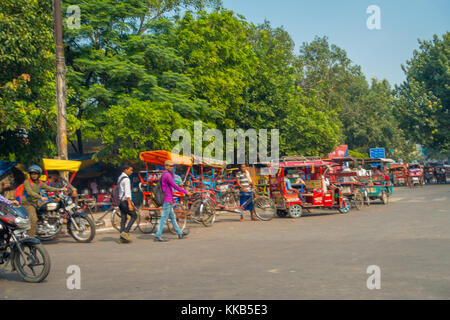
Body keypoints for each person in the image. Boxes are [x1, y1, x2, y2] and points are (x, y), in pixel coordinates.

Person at [21, 165, 64, 238]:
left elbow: (48, 188)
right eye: (32, 174)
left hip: (36, 201)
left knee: (49, 206)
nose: (33, 175)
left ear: (39, 175)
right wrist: (40, 197)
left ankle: (46, 222)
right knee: (34, 220)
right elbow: (30, 192)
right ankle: (31, 238)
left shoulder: (39, 183)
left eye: (35, 174)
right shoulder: (27, 182)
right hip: (28, 203)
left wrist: (60, 189)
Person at [154, 160, 192, 242]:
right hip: (167, 199)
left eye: (172, 166)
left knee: (173, 217)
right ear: (166, 166)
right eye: (170, 166)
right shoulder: (167, 175)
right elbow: (175, 185)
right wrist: (186, 192)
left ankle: (179, 233)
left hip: (169, 199)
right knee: (164, 218)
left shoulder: (165, 174)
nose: (172, 167)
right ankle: (158, 235)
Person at [117, 164, 138, 243]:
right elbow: (127, 192)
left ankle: (122, 238)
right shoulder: (126, 179)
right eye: (130, 170)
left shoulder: (120, 178)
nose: (131, 172)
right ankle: (125, 233)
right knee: (134, 215)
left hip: (120, 201)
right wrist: (129, 203)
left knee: (124, 218)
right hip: (125, 202)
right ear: (125, 170)